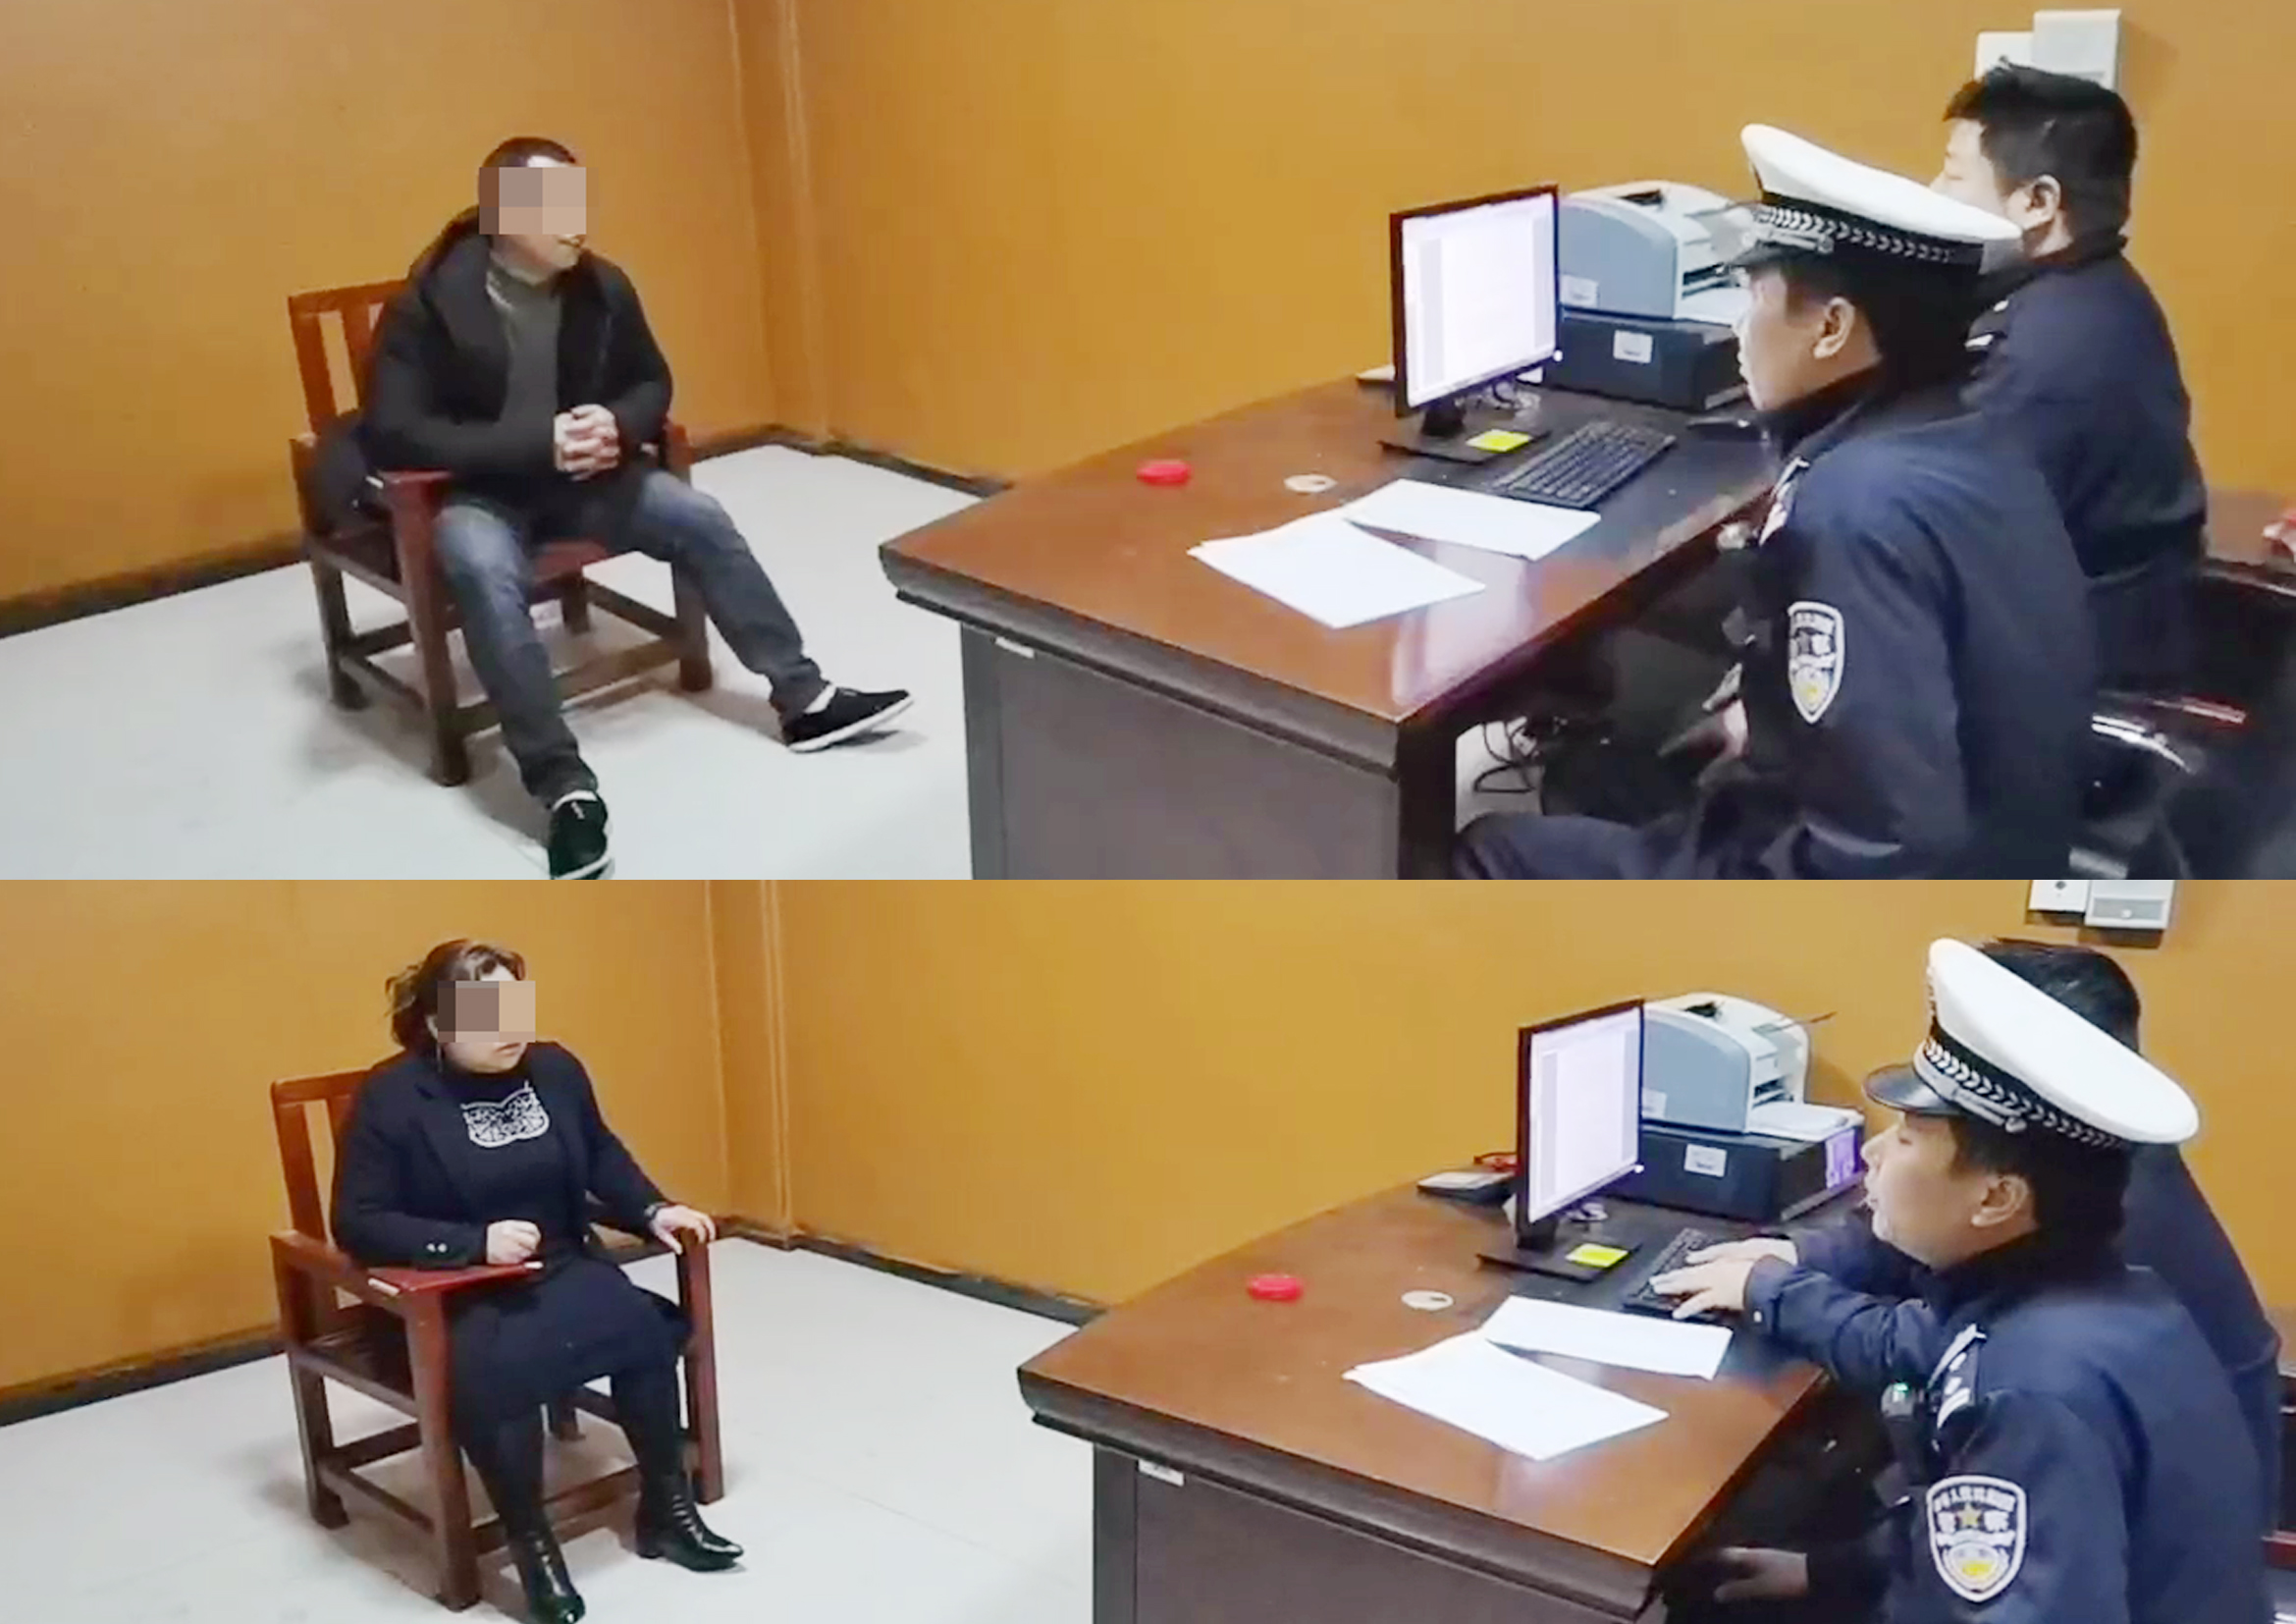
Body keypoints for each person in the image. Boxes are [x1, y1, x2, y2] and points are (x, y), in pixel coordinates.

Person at [1454, 126, 2094, 880]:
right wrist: (1768, 720)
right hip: (2001, 828)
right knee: (1601, 768)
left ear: (1831, 328)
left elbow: (1885, 846)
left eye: (1754, 297)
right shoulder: (1964, 434)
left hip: (1875, 875)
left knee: (1488, 845)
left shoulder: (1855, 509)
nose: (1736, 326)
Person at [1647, 940, 2269, 1623]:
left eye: (1908, 1135)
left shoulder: (2033, 1388)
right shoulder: (2090, 1289)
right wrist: (1832, 1572)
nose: (1874, 1151)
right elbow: (1978, 1537)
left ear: (1996, 1198)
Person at [362, 136, 913, 880]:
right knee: (481, 568)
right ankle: (564, 787)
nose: (576, 219)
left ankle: (804, 697)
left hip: (587, 484)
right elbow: (396, 431)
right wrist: (538, 442)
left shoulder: (602, 286)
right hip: (482, 493)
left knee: (699, 517)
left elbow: (651, 382)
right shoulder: (430, 302)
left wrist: (617, 426)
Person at [333, 940, 741, 1624]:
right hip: (451, 1289)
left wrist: (651, 1208)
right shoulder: (393, 1097)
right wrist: (472, 1244)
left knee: (644, 1330)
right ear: (436, 1023)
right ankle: (534, 1546)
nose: (508, 1029)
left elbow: (601, 1154)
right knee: (502, 1368)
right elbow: (358, 1220)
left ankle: (665, 1509)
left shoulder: (553, 1069)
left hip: (559, 1264)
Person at [1933, 66, 2208, 694]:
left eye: (1953, 175)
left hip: (2069, 675)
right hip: (2115, 623)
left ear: (2038, 202)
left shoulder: (2044, 356)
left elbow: (1940, 535)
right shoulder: (2096, 291)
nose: (1933, 191)